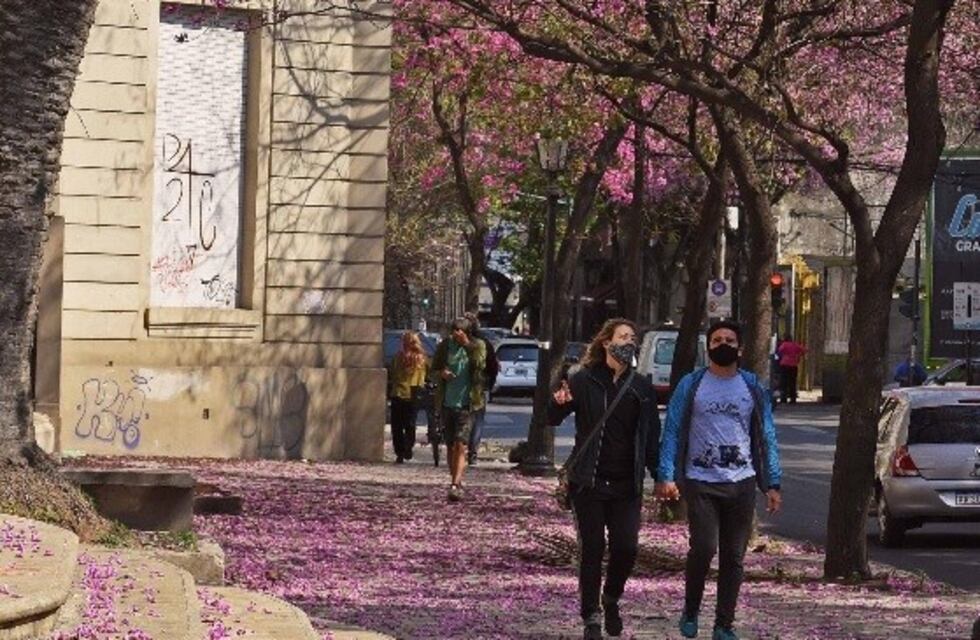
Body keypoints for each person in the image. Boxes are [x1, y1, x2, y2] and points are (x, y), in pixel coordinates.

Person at [656, 320, 782, 640]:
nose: (722, 344)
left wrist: (773, 484)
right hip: (700, 481)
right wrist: (666, 475)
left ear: (739, 347)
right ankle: (691, 610)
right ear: (708, 346)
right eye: (716, 339)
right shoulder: (692, 384)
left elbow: (767, 436)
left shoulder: (752, 386)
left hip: (741, 482)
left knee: (734, 556)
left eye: (728, 339)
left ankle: (723, 624)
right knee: (703, 547)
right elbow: (671, 430)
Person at [548, 318, 660, 640]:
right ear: (606, 342)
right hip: (589, 482)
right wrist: (557, 402)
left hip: (627, 485)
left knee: (626, 548)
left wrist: (661, 476)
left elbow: (652, 436)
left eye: (633, 338)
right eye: (623, 337)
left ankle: (611, 597)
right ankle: (591, 617)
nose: (629, 342)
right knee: (592, 548)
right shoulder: (582, 380)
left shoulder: (641, 387)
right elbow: (552, 418)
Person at [432, 317, 487, 501]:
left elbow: (480, 364)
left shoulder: (478, 345)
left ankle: (455, 483)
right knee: (450, 445)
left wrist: (467, 346)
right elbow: (433, 369)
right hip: (447, 402)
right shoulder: (445, 346)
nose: (456, 334)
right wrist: (441, 374)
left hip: (468, 403)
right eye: (453, 330)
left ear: (466, 331)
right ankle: (455, 479)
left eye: (459, 331)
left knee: (460, 443)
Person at [387, 331, 429, 464]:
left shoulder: (397, 358)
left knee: (397, 426)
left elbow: (393, 374)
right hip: (414, 394)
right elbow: (426, 376)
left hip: (398, 393)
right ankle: (408, 447)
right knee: (410, 424)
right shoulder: (421, 359)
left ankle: (399, 452)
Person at [463, 311, 498, 466]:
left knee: (467, 419)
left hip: (464, 386)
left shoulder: (456, 342)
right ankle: (472, 453)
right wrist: (489, 384)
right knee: (477, 420)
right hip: (479, 385)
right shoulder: (484, 343)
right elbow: (493, 366)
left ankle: (462, 449)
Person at [775, 334, 806, 403]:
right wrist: (798, 356)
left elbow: (779, 351)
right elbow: (804, 350)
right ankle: (793, 399)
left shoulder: (784, 344)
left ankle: (783, 398)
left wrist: (783, 355)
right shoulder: (795, 345)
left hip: (784, 364)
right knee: (792, 382)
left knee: (784, 382)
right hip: (793, 365)